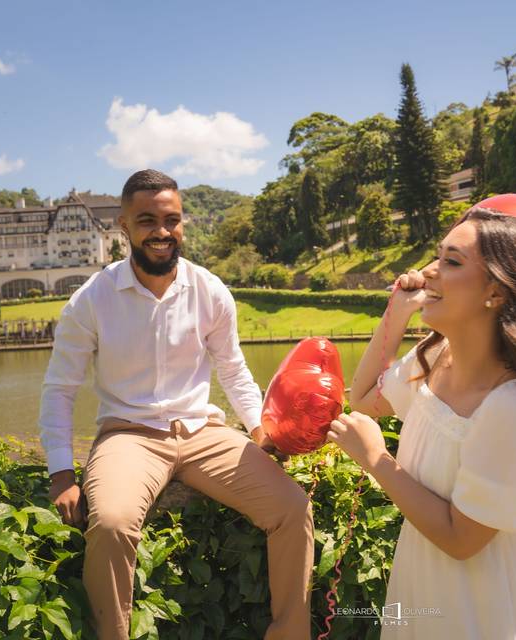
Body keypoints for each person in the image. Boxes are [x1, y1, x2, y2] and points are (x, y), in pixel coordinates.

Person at [39, 169, 313, 640]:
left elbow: (233, 370)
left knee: (292, 507)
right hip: (129, 435)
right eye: (147, 220)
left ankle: (289, 633)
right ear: (123, 226)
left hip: (204, 433)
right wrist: (62, 472)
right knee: (110, 523)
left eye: (172, 219)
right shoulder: (91, 300)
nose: (162, 232)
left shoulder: (210, 290)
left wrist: (258, 428)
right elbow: (60, 388)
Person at [326, 207, 516, 639]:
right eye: (436, 257)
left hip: (476, 605)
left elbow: (462, 539)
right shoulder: (439, 356)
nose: (427, 272)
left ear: (496, 291)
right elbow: (362, 401)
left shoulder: (510, 405)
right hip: (422, 577)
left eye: (451, 261)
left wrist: (377, 460)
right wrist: (396, 313)